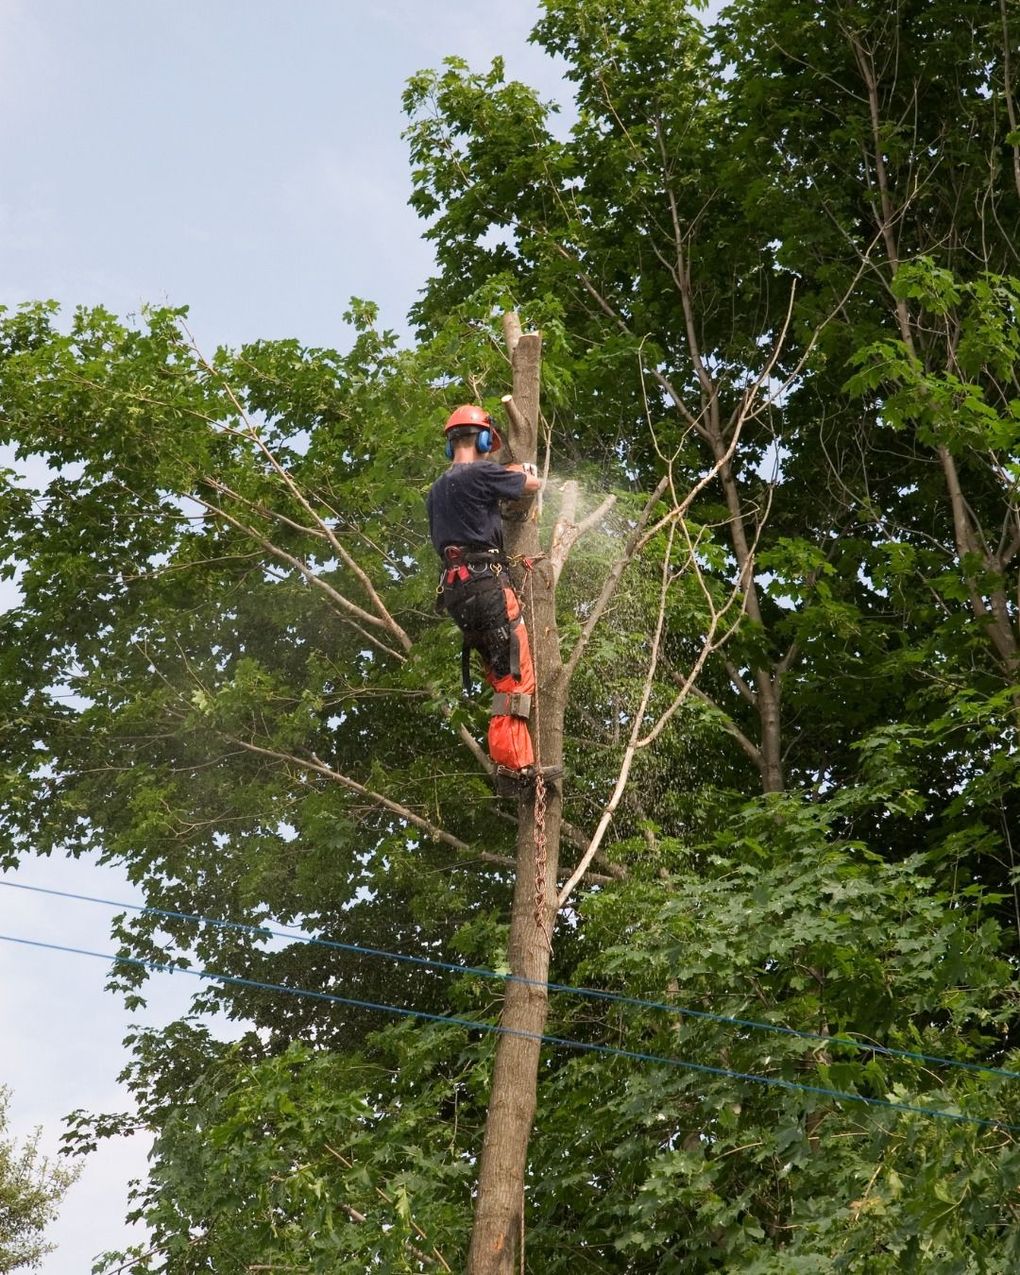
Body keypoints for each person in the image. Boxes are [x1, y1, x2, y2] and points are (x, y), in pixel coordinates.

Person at [427, 404, 545, 785]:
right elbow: (530, 485)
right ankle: (516, 770)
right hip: (487, 584)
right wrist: (523, 472)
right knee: (515, 676)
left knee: (499, 675)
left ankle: (508, 762)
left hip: (457, 595)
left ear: (450, 443)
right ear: (481, 440)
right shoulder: (480, 472)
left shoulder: (436, 491)